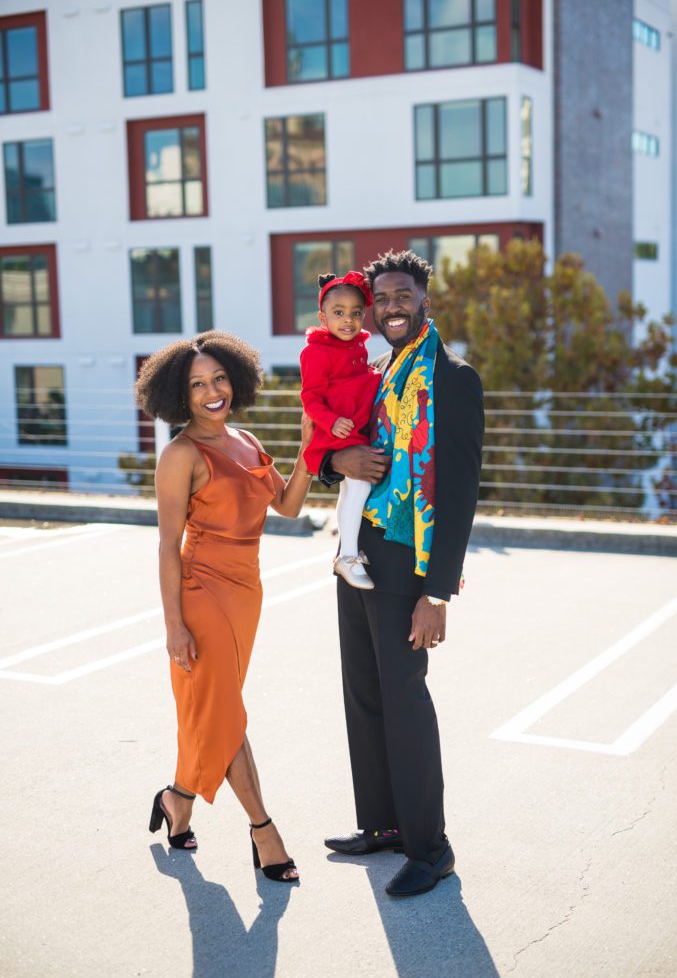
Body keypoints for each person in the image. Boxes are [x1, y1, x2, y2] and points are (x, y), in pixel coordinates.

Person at [319, 250, 484, 898]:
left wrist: (437, 593)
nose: (389, 306)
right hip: (359, 553)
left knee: (405, 701)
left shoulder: (453, 379)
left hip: (407, 563)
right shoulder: (380, 373)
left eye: (401, 295)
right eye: (380, 297)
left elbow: (461, 493)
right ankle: (384, 827)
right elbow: (352, 457)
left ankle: (430, 848)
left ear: (422, 296)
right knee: (364, 695)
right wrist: (339, 460)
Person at [136, 330, 313, 884]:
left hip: (247, 593)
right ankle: (265, 832)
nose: (212, 391)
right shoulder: (180, 454)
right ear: (178, 395)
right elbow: (167, 545)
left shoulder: (246, 438)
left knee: (210, 711)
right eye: (196, 385)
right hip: (202, 594)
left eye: (218, 378)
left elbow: (286, 505)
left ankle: (177, 800)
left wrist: (309, 447)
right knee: (227, 713)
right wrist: (173, 625)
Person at [299, 270, 381, 589]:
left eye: (356, 313)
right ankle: (347, 556)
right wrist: (332, 421)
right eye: (338, 313)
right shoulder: (316, 351)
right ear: (322, 317)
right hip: (335, 431)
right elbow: (310, 397)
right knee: (358, 487)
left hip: (353, 425)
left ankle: (347, 550)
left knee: (351, 489)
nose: (348, 320)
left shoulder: (358, 346)